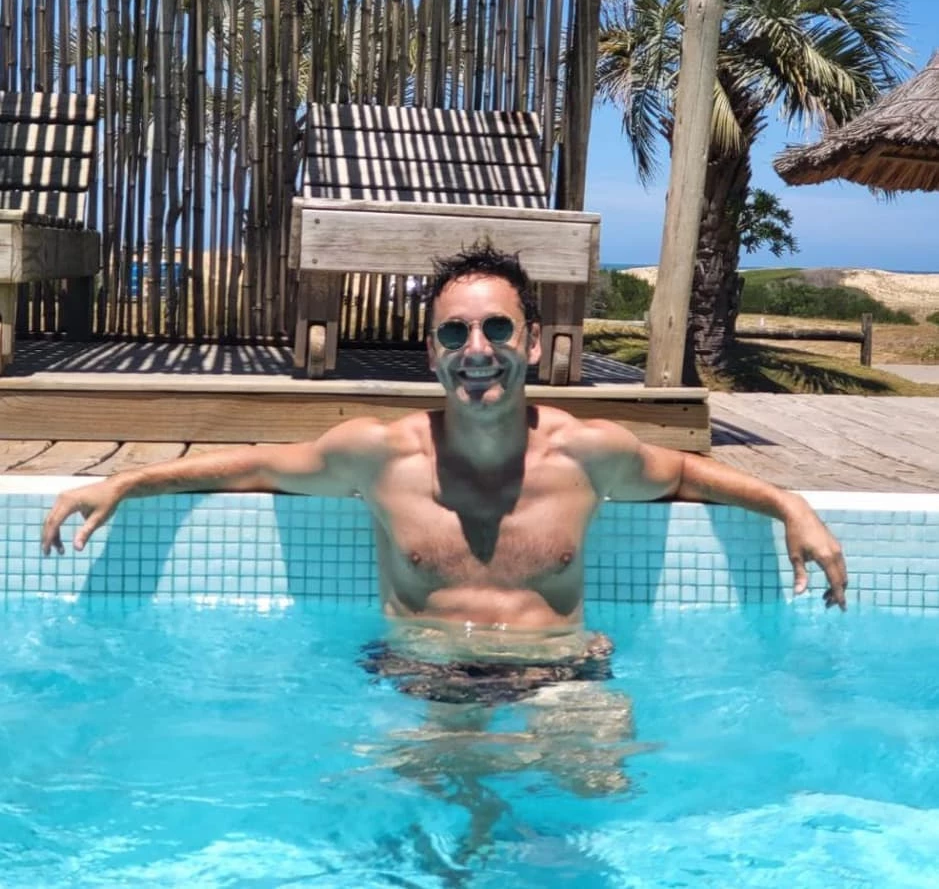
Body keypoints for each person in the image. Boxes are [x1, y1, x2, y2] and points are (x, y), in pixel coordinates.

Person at [41, 243, 848, 704]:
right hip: (420, 676)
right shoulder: (379, 454)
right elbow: (256, 465)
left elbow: (684, 476)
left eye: (497, 328)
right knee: (417, 833)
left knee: (592, 792)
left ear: (533, 342)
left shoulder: (587, 452)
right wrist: (127, 482)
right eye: (455, 333)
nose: (477, 349)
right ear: (431, 351)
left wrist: (789, 504)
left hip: (562, 673)